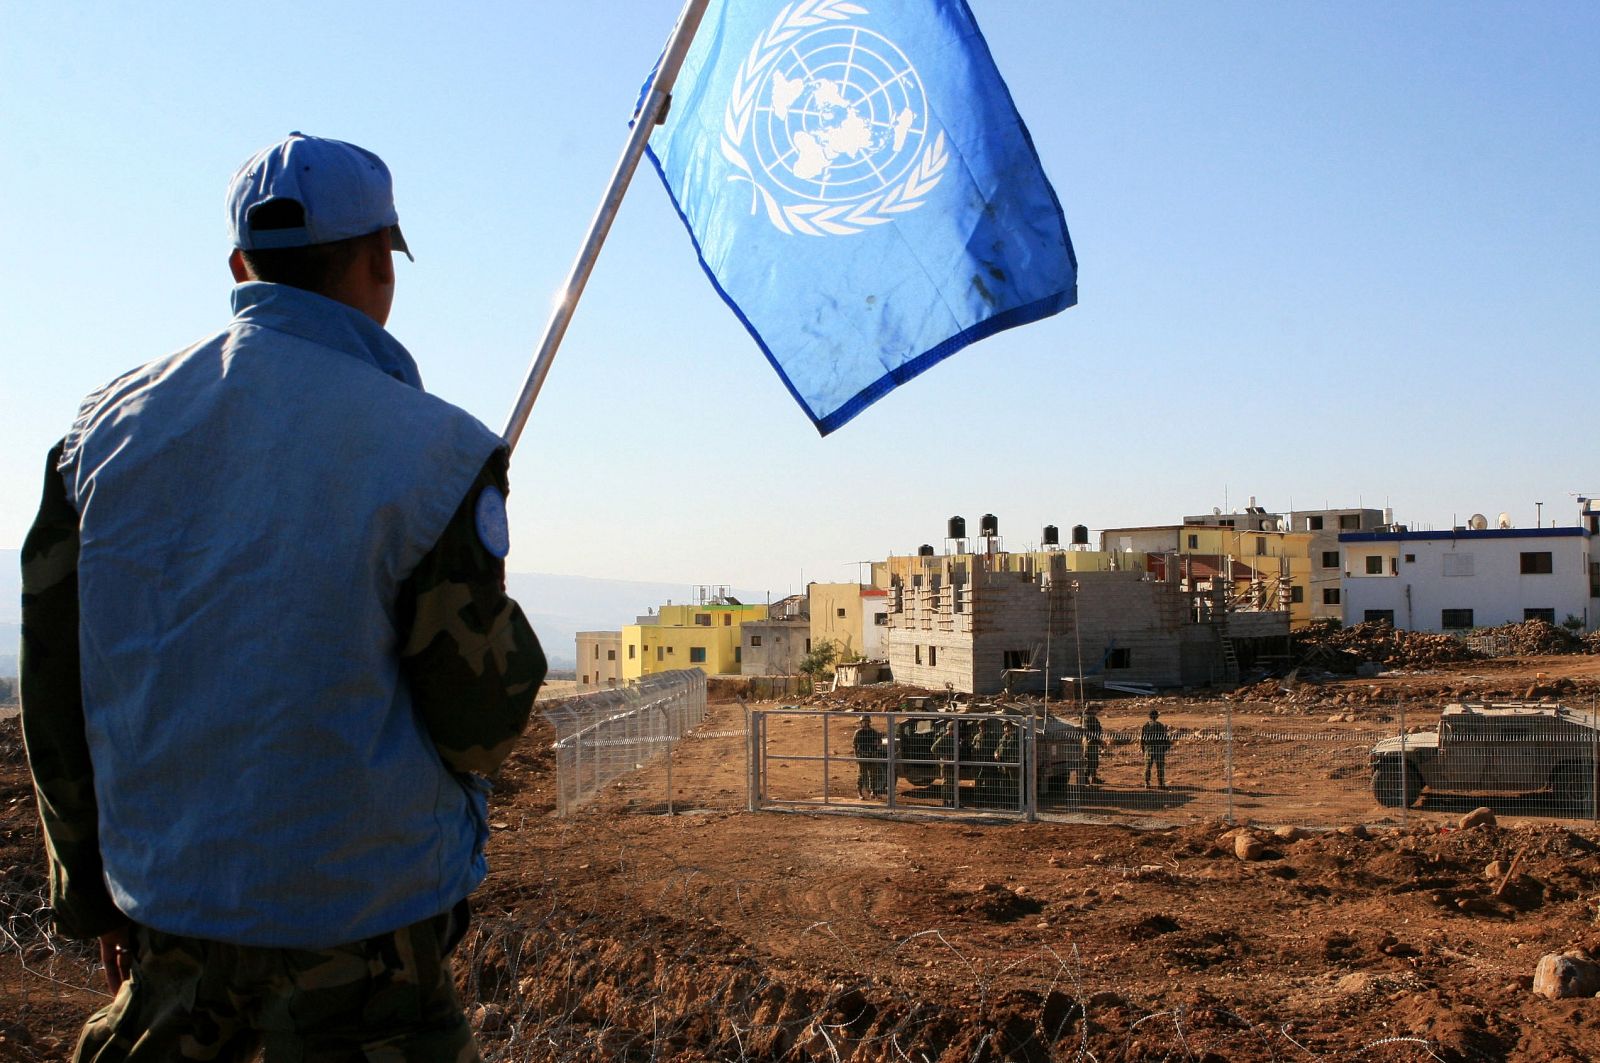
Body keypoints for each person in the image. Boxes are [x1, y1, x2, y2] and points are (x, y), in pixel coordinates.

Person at [20, 132, 546, 1063]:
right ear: (382, 262)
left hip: (170, 942)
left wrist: (94, 895)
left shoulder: (94, 442)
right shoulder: (438, 454)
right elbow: (477, 718)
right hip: (371, 960)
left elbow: (56, 695)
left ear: (239, 267)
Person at [852, 716, 887, 798]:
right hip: (862, 756)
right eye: (863, 721)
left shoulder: (873, 732)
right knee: (861, 775)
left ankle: (873, 791)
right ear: (861, 723)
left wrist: (877, 744)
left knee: (873, 775)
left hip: (872, 756)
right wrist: (857, 757)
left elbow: (880, 741)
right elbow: (855, 746)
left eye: (866, 721)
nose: (865, 723)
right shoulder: (858, 732)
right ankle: (860, 792)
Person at [1141, 709, 1173, 790]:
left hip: (1148, 750)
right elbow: (1164, 738)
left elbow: (1142, 739)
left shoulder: (1145, 726)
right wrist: (1166, 747)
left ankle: (1147, 783)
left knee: (1147, 767)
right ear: (1157, 716)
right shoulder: (1160, 726)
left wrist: (1143, 750)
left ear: (1149, 716)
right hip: (1159, 749)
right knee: (1160, 767)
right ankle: (1160, 784)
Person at [1081, 705, 1105, 785]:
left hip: (1093, 742)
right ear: (1091, 709)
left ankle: (1093, 778)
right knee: (1089, 761)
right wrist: (1098, 740)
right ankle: (1085, 779)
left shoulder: (1090, 718)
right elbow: (1088, 732)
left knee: (1094, 761)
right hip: (1090, 743)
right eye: (1096, 709)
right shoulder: (1088, 718)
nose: (1097, 711)